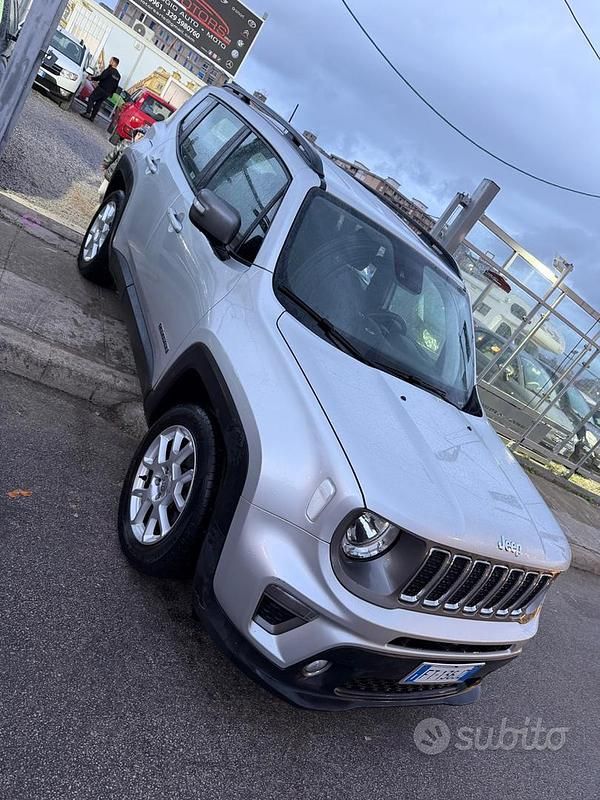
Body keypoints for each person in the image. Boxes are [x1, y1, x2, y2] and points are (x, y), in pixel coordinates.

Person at [97, 126, 148, 202]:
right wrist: (105, 163)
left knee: (111, 196)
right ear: (135, 134)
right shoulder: (125, 143)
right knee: (102, 191)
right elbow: (113, 154)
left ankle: (102, 208)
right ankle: (100, 203)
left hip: (122, 178)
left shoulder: (142, 153)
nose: (139, 138)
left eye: (142, 137)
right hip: (112, 173)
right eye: (138, 135)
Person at [81, 57, 121, 122]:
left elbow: (101, 77)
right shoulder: (118, 75)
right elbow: (115, 86)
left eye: (111, 60)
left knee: (91, 98)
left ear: (114, 63)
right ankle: (92, 117)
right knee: (98, 103)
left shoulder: (109, 70)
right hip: (107, 93)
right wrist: (111, 94)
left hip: (101, 89)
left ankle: (88, 113)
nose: (109, 61)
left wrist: (92, 78)